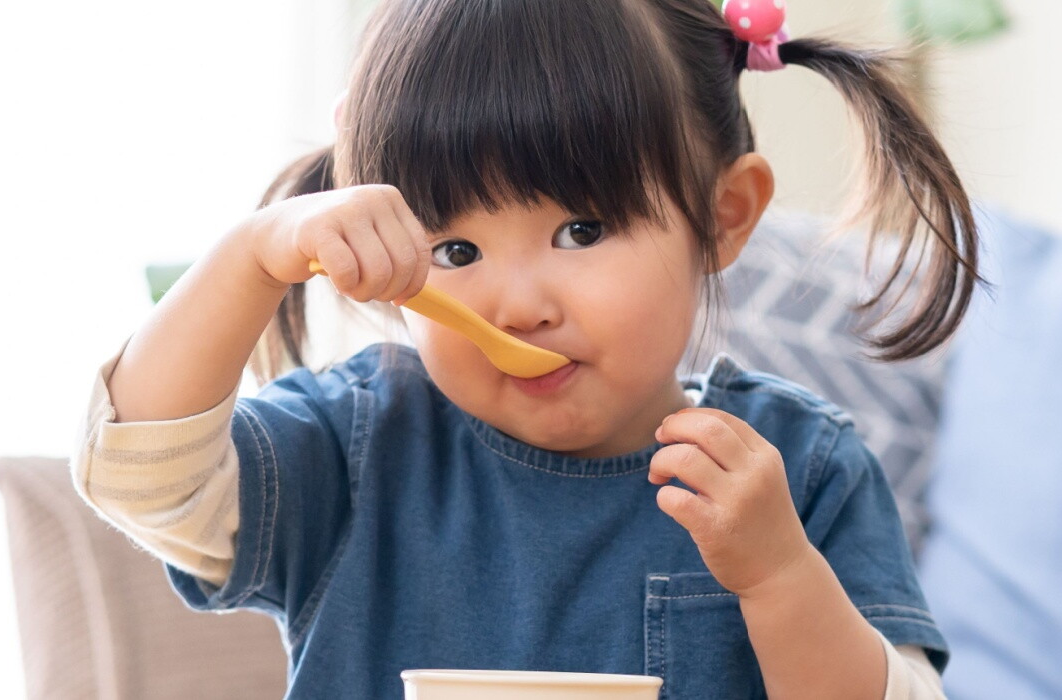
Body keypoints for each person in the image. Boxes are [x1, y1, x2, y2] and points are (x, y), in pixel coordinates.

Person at [73, 0, 979, 697]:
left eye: (582, 230)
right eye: (456, 252)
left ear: (722, 215)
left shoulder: (800, 471)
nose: (518, 306)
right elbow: (139, 476)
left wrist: (781, 574)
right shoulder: (353, 447)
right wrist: (252, 256)